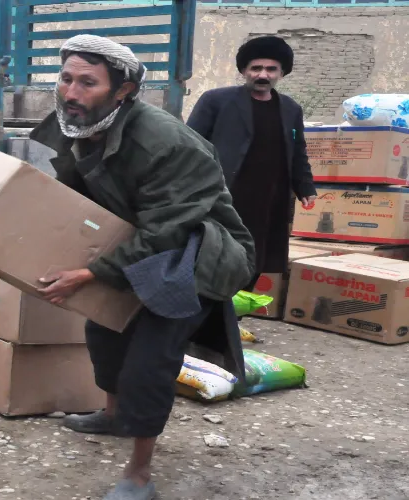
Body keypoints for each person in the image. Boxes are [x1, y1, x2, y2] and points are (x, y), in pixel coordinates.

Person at [29, 35, 256, 500]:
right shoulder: (74, 122)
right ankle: (113, 417)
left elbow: (169, 231)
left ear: (124, 90)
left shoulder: (168, 144)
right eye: (66, 79)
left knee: (148, 361)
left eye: (87, 83)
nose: (71, 93)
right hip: (138, 238)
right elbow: (71, 197)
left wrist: (89, 273)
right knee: (104, 331)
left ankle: (139, 473)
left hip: (196, 251)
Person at [186, 35, 317, 291]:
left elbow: (298, 151)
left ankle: (235, 320)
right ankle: (207, 319)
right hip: (227, 195)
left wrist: (305, 186)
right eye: (256, 68)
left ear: (282, 73)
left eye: (271, 69)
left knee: (258, 257)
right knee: (218, 254)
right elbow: (189, 144)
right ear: (244, 70)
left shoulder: (290, 108)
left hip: (271, 198)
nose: (263, 75)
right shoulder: (217, 100)